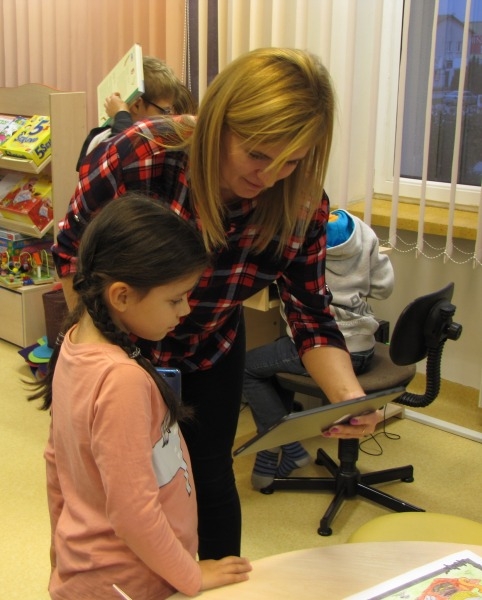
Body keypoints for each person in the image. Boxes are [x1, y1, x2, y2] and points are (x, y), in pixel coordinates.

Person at [52, 47, 382, 560]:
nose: (269, 176)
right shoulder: (142, 155)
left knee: (206, 474)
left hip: (210, 345)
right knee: (114, 486)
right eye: (258, 154)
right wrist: (99, 357)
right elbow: (72, 255)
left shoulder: (299, 202)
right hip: (116, 350)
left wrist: (349, 399)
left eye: (291, 161)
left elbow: (310, 313)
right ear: (220, 123)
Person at [29, 194, 251, 600]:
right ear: (121, 296)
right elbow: (133, 512)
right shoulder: (122, 381)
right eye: (175, 298)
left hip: (98, 570)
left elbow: (55, 460)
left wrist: (59, 543)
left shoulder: (73, 343)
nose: (185, 310)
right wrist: (191, 575)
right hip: (131, 582)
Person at [243, 208, 395, 489]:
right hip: (363, 348)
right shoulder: (363, 231)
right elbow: (383, 288)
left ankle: (286, 444)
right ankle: (275, 451)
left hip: (322, 347)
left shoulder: (298, 236)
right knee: (274, 361)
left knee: (247, 368)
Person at [76, 56, 183, 170]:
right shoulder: (101, 140)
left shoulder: (164, 139)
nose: (170, 117)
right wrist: (121, 114)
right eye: (165, 111)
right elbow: (117, 164)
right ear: (136, 105)